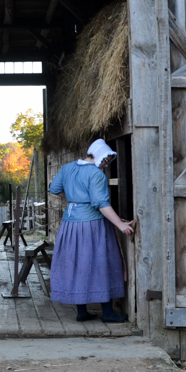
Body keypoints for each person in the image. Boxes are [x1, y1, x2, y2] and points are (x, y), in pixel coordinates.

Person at [49, 138, 134, 323]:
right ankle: (108, 312)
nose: (105, 164)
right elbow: (101, 204)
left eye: (108, 161)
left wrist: (74, 196)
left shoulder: (67, 168)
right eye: (105, 159)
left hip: (69, 225)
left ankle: (82, 311)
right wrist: (120, 224)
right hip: (92, 225)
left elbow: (54, 188)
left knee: (78, 265)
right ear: (96, 154)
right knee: (102, 263)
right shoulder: (96, 175)